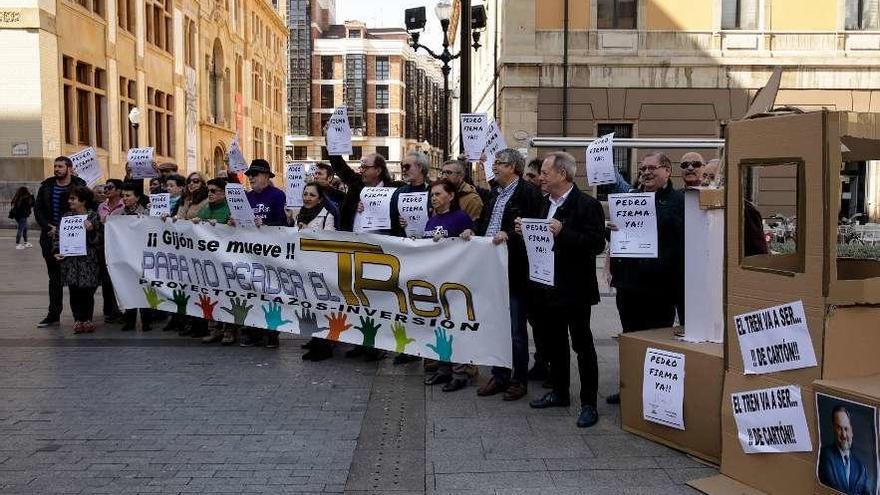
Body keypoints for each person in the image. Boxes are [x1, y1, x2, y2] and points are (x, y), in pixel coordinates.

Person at [522, 152, 606, 428]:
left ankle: (589, 404)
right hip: (546, 286)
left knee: (582, 345)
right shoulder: (540, 203)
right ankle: (559, 392)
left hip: (575, 289)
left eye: (545, 172)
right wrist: (524, 230)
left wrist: (563, 232)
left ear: (563, 174)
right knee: (554, 344)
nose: (541, 177)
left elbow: (596, 245)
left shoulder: (587, 205)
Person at [462, 148, 543, 401]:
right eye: (495, 163)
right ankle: (499, 375)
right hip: (491, 270)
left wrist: (512, 235)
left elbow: (534, 228)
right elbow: (486, 222)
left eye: (500, 163)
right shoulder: (496, 194)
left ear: (514, 168)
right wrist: (472, 230)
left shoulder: (528, 193)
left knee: (515, 329)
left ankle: (518, 379)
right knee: (495, 327)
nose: (494, 167)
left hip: (515, 272)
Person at [606, 152, 684, 405]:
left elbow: (681, 242)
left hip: (659, 288)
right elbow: (622, 238)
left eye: (652, 168)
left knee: (655, 340)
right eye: (642, 168)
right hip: (628, 284)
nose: (646, 172)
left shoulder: (678, 201)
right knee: (629, 337)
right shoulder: (631, 198)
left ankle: (654, 395)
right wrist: (613, 232)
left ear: (667, 171)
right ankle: (630, 387)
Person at [328, 150, 402, 360]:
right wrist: (331, 141)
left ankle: (376, 346)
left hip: (380, 255)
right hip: (354, 253)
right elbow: (339, 167)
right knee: (357, 300)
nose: (361, 170)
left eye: (365, 166)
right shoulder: (357, 186)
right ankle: (362, 341)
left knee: (377, 301)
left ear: (378, 170)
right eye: (360, 166)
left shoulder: (393, 190)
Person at [421, 179, 478, 392]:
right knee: (439, 327)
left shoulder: (460, 217)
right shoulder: (431, 219)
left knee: (455, 327)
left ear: (451, 196)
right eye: (432, 195)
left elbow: (472, 240)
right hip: (434, 282)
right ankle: (443, 368)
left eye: (438, 194)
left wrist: (469, 234)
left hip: (455, 283)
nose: (434, 198)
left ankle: (460, 372)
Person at [34, 156, 87, 327]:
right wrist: (47, 226)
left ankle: (78, 317)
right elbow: (38, 210)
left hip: (72, 238)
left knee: (73, 279)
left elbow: (87, 206)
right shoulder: (46, 186)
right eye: (55, 166)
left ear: (69, 168)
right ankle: (53, 314)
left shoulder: (79, 185)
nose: (57, 169)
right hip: (49, 238)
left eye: (60, 166)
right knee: (54, 278)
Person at [242, 159, 287, 348]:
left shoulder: (278, 196)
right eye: (249, 174)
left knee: (270, 294)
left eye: (255, 174)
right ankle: (254, 333)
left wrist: (266, 225)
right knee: (251, 293)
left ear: (267, 176)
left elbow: (284, 225)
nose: (250, 177)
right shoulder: (247, 197)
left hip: (271, 254)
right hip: (250, 254)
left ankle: (272, 335)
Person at [298, 182, 340, 362]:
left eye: (312, 195)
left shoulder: (327, 215)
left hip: (323, 267)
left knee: (322, 307)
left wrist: (307, 231)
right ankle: (315, 341)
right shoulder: (300, 213)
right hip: (304, 265)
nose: (307, 198)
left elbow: (330, 239)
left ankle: (324, 347)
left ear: (320, 198)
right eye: (305, 194)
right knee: (310, 306)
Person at [52, 185, 102, 334]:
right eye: (70, 198)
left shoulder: (93, 216)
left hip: (88, 261)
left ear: (83, 201)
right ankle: (77, 320)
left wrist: (92, 230)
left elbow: (99, 239)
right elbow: (58, 237)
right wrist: (56, 251)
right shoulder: (66, 217)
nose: (70, 201)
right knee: (74, 291)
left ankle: (87, 319)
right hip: (71, 261)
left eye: (73, 198)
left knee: (87, 292)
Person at [191, 178, 235, 346]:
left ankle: (229, 330)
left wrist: (226, 225)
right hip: (208, 262)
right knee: (210, 295)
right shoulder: (205, 209)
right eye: (208, 190)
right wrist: (193, 223)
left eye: (214, 191)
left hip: (226, 261)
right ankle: (214, 329)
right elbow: (193, 227)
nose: (210, 193)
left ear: (224, 193)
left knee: (228, 294)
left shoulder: (230, 209)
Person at [113, 182, 152, 332]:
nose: (124, 199)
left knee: (144, 287)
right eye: (123, 196)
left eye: (128, 196)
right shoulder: (117, 215)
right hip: (125, 257)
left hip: (143, 257)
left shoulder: (147, 214)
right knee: (128, 287)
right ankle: (129, 320)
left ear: (137, 197)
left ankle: (146, 320)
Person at [818, 406, 872, 495]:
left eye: (846, 429)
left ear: (852, 431)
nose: (843, 435)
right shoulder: (825, 456)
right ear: (833, 430)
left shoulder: (861, 468)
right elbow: (834, 489)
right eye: (839, 428)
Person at [97, 179, 125, 323]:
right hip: (105, 246)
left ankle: (123, 309)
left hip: (121, 247)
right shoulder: (101, 206)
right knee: (106, 280)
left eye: (110, 187)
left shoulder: (124, 205)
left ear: (119, 190)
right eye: (105, 187)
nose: (106, 190)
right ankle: (110, 310)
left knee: (120, 278)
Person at [390, 152, 430, 238]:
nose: (404, 170)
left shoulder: (433, 191)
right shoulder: (399, 193)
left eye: (407, 166)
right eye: (402, 167)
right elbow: (391, 220)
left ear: (420, 167)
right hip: (405, 245)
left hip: (430, 243)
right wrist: (398, 222)